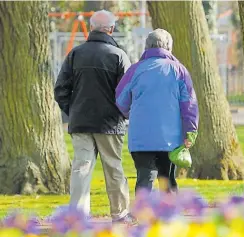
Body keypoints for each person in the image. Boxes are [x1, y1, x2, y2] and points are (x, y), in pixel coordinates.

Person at [54, 10, 136, 225]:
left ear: (91, 28)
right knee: (114, 167)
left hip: (81, 121)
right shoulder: (118, 55)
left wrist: (72, 111)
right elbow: (128, 91)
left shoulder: (75, 54)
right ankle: (119, 214)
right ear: (111, 29)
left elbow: (61, 89)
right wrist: (123, 114)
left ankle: (77, 216)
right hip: (110, 122)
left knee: (81, 168)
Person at [116, 29, 199, 193]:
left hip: (141, 137)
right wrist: (190, 130)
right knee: (167, 179)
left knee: (144, 178)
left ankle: (142, 214)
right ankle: (170, 216)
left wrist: (129, 114)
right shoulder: (179, 71)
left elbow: (121, 100)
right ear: (169, 47)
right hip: (170, 138)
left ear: (147, 47)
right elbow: (189, 104)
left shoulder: (135, 70)